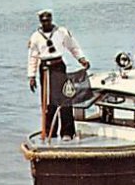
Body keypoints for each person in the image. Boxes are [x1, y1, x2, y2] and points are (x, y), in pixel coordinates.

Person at [27, 10, 90, 139]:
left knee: (65, 99)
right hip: (45, 68)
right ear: (40, 21)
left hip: (59, 66)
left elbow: (73, 47)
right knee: (49, 101)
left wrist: (82, 59)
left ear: (51, 19)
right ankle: (50, 131)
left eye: (48, 20)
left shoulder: (61, 32)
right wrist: (31, 76)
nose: (46, 23)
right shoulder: (35, 37)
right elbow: (32, 57)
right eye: (43, 21)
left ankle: (67, 132)